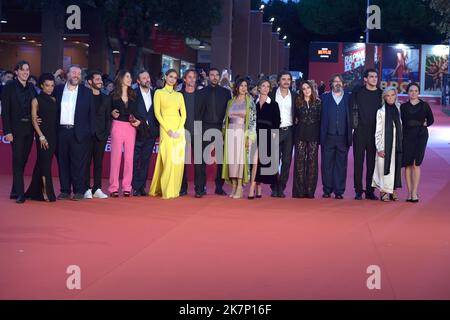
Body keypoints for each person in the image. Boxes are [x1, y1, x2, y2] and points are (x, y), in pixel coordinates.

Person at [54, 65, 96, 201]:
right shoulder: (58, 90)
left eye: (78, 73)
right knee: (63, 162)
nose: (76, 75)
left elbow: (92, 115)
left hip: (79, 133)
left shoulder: (87, 92)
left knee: (78, 163)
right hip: (61, 132)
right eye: (73, 73)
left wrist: (89, 133)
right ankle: (65, 190)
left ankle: (79, 190)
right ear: (68, 75)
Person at [1, 61, 36, 203]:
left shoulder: (31, 87)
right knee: (17, 160)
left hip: (29, 128)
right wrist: (7, 131)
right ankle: (20, 193)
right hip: (15, 129)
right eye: (23, 70)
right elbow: (6, 111)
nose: (26, 72)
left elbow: (36, 105)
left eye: (27, 70)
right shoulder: (9, 86)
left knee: (23, 160)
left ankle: (14, 190)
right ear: (16, 72)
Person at [195, 67, 232, 198]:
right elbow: (197, 113)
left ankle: (219, 187)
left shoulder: (226, 93)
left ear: (219, 77)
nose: (215, 77)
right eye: (212, 75)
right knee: (200, 160)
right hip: (204, 126)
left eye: (217, 75)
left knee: (221, 160)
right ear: (208, 77)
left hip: (220, 128)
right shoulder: (201, 93)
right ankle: (200, 188)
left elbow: (229, 113)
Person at [149, 69, 186, 199]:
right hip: (165, 129)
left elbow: (184, 114)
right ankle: (166, 190)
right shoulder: (158, 93)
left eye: (175, 78)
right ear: (165, 77)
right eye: (170, 77)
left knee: (177, 161)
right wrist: (168, 129)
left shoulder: (179, 95)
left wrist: (179, 129)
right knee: (168, 159)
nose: (172, 79)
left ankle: (174, 189)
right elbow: (157, 113)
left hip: (178, 130)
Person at [25, 73, 58, 202]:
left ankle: (34, 191)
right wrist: (41, 136)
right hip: (42, 136)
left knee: (41, 163)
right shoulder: (36, 100)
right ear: (41, 86)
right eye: (47, 86)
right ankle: (46, 192)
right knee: (45, 163)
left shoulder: (54, 99)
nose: (50, 88)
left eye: (52, 86)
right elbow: (34, 120)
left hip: (53, 135)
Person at [351, 69, 383, 200]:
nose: (374, 79)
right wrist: (354, 126)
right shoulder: (357, 92)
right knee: (358, 163)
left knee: (372, 164)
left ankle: (370, 191)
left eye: (376, 77)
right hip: (359, 132)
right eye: (371, 76)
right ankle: (358, 190)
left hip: (375, 133)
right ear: (365, 79)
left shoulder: (381, 94)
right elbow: (352, 109)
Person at [109, 70, 142, 197]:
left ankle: (127, 187)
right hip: (117, 125)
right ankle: (113, 188)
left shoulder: (133, 94)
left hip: (130, 127)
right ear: (121, 78)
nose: (129, 79)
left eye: (130, 77)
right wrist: (111, 113)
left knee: (129, 158)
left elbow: (137, 111)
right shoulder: (112, 94)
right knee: (115, 157)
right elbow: (108, 110)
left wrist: (137, 121)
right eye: (127, 76)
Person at [222, 78, 257, 199]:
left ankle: (240, 187)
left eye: (245, 86)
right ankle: (234, 185)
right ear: (236, 87)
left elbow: (252, 121)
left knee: (241, 161)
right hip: (230, 133)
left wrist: (250, 138)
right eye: (241, 85)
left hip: (243, 133)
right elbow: (225, 120)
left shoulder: (250, 101)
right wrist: (223, 135)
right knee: (232, 161)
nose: (243, 88)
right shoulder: (231, 102)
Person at [320, 74, 352, 200]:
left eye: (340, 81)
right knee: (326, 165)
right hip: (328, 136)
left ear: (343, 84)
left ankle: (339, 191)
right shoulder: (324, 97)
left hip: (343, 137)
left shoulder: (348, 98)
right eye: (335, 81)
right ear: (331, 83)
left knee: (341, 165)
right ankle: (327, 190)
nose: (337, 83)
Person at [401, 82, 434, 203]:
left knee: (416, 163)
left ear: (418, 92)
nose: (413, 93)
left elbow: (431, 120)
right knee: (408, 164)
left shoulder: (424, 105)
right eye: (411, 91)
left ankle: (415, 192)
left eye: (415, 91)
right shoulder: (403, 107)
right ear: (408, 92)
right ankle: (409, 193)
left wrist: (423, 124)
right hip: (407, 136)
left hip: (421, 136)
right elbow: (402, 122)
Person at [248, 79, 280, 199]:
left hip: (267, 134)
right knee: (255, 161)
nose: (265, 88)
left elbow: (277, 122)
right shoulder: (253, 103)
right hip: (254, 134)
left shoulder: (273, 104)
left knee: (259, 161)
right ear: (259, 88)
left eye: (268, 86)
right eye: (263, 86)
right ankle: (257, 187)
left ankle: (253, 186)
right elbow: (250, 120)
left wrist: (273, 136)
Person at [83, 70, 111, 199]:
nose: (100, 81)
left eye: (101, 79)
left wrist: (106, 134)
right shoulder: (84, 96)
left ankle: (97, 188)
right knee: (85, 162)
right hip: (86, 135)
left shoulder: (106, 98)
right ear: (90, 82)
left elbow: (107, 118)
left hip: (101, 135)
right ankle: (86, 188)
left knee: (98, 163)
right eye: (97, 79)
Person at [269, 71, 297, 198]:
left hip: (289, 131)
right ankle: (274, 187)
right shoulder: (272, 94)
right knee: (274, 161)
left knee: (286, 161)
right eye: (284, 79)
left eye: (288, 79)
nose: (286, 81)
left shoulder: (295, 96)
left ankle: (282, 187)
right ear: (279, 81)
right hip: (275, 131)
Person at [372, 87, 403, 202]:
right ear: (384, 97)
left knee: (395, 167)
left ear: (396, 96)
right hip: (385, 144)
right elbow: (378, 131)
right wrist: (379, 147)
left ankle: (393, 189)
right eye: (388, 96)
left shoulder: (399, 109)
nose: (390, 98)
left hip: (397, 144)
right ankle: (384, 191)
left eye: (392, 95)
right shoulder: (381, 111)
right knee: (383, 167)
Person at [132, 70, 159, 196]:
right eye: (143, 78)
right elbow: (130, 111)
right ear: (138, 81)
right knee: (134, 160)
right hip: (137, 131)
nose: (147, 80)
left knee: (145, 160)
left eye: (148, 77)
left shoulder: (156, 94)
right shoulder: (133, 94)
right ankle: (135, 186)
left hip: (152, 133)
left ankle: (141, 187)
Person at [293, 80, 321, 199]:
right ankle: (299, 191)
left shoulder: (319, 103)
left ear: (312, 89)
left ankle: (310, 191)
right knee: (299, 162)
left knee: (312, 163)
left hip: (314, 135)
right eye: (304, 88)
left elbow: (320, 120)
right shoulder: (298, 102)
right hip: (300, 134)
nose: (306, 90)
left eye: (308, 88)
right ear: (301, 91)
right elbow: (294, 118)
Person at [180, 69, 199, 196]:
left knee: (198, 163)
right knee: (182, 162)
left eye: (194, 77)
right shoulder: (178, 95)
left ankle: (199, 189)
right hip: (182, 131)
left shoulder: (201, 94)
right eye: (189, 77)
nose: (192, 79)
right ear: (185, 79)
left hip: (198, 131)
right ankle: (182, 188)